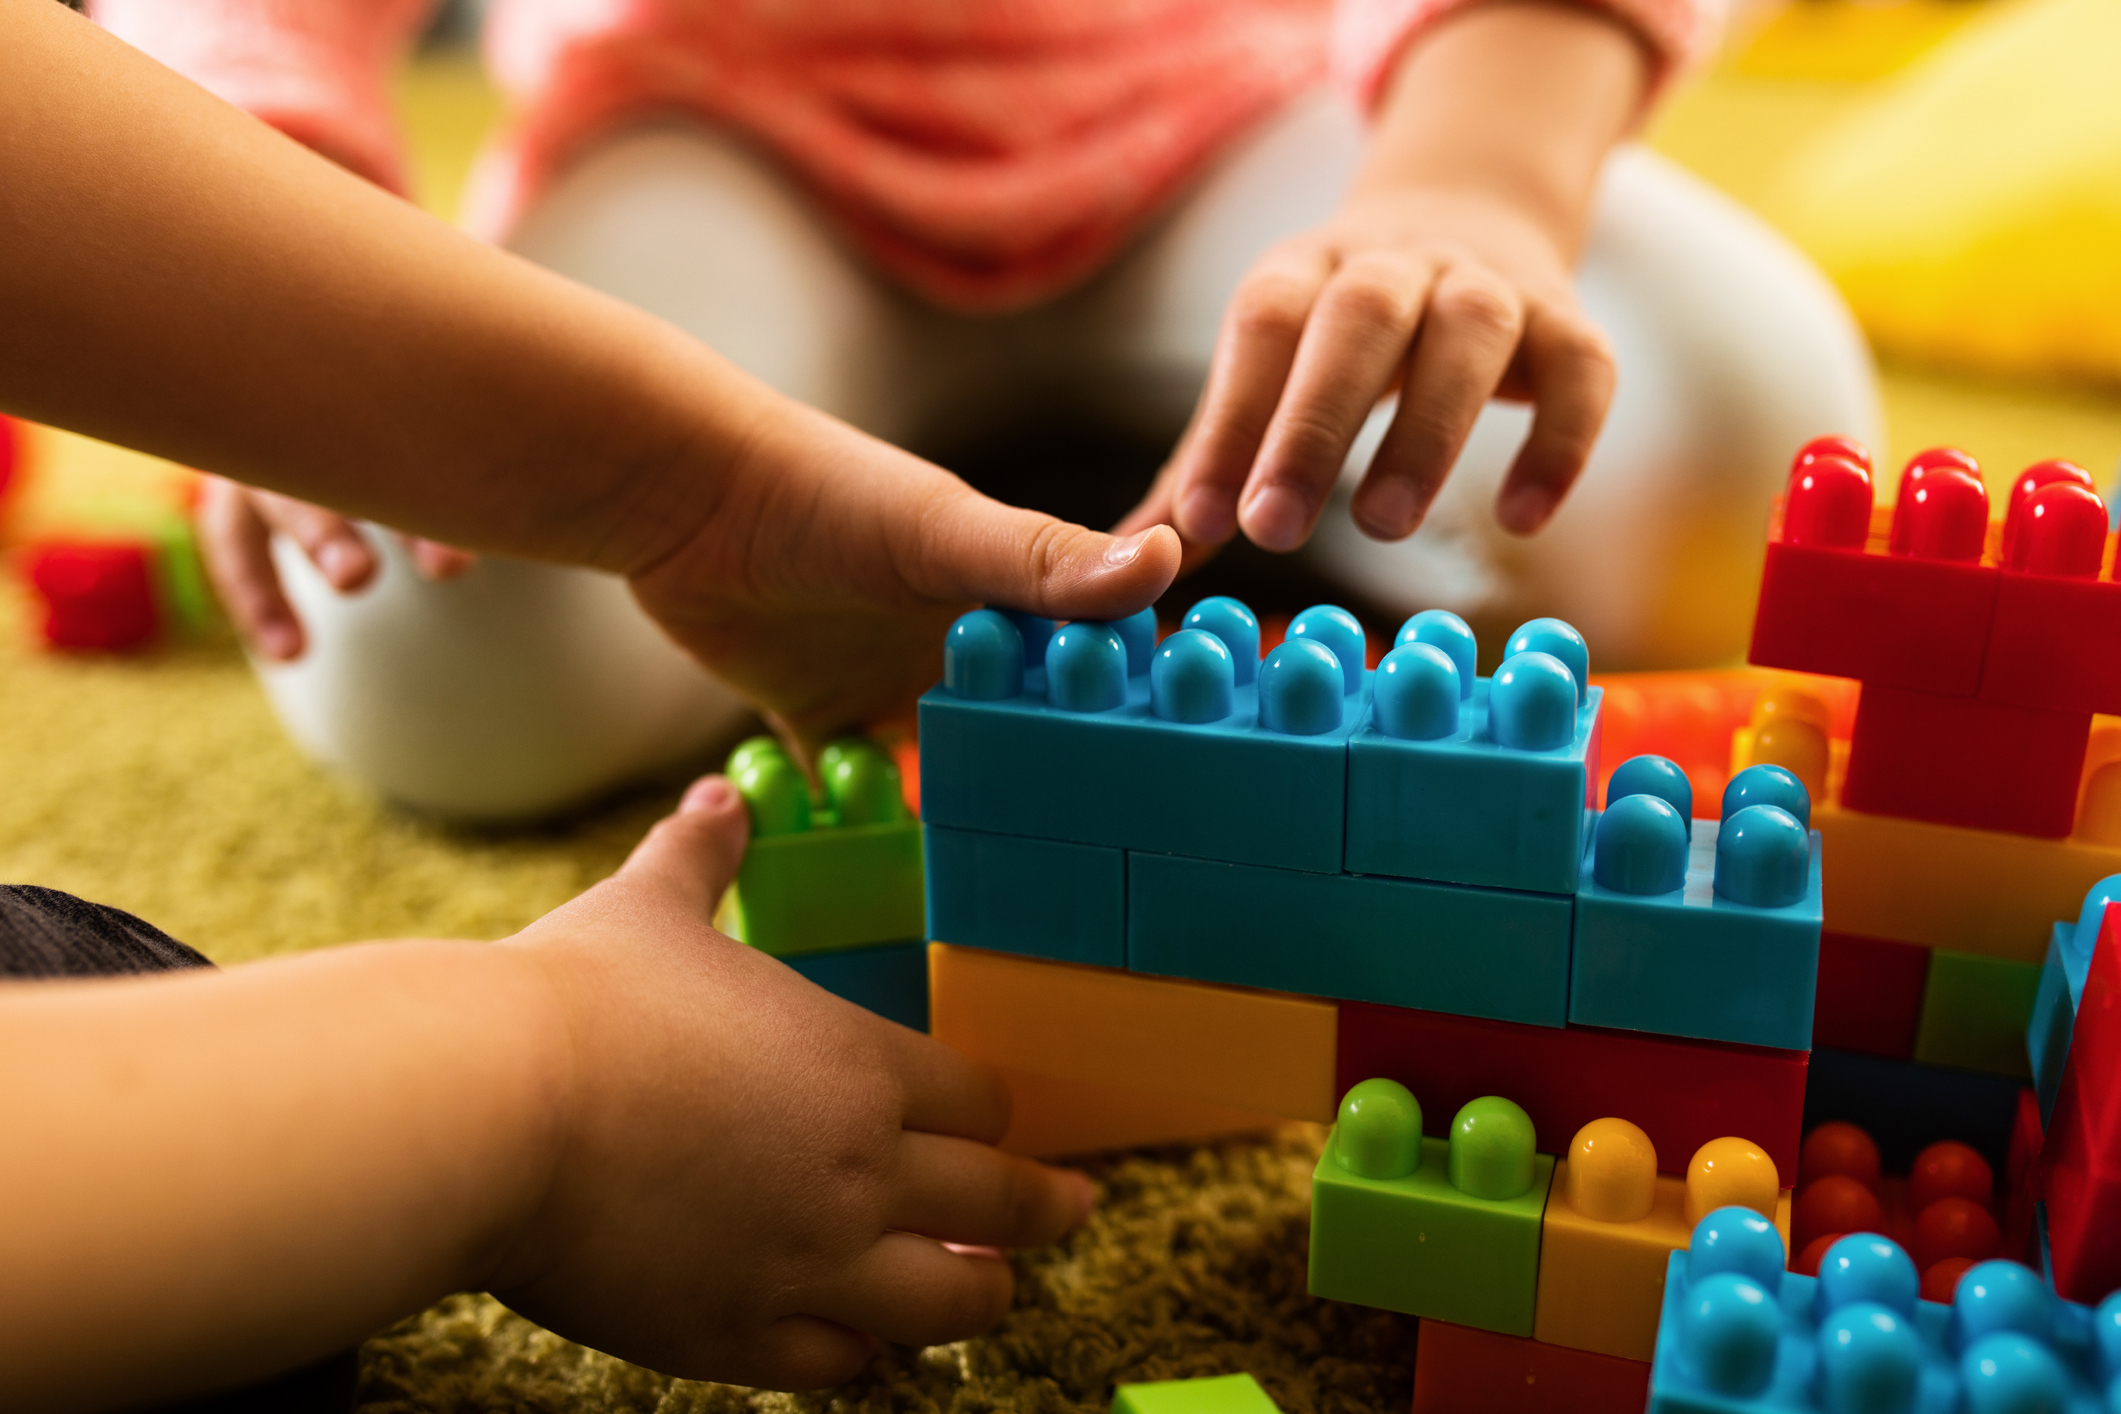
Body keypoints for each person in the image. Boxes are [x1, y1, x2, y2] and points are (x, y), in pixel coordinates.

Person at [0, 0, 1168, 1406]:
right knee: (177, 1161)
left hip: (1219, 133)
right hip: (691, 147)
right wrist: (546, 1089)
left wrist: (679, 486)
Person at [104, 0, 1882, 820]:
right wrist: (281, 207)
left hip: (1245, 98)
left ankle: (1126, 495)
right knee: (429, 653)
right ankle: (1102, 508)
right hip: (716, 128)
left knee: (1740, 458)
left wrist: (1476, 178)